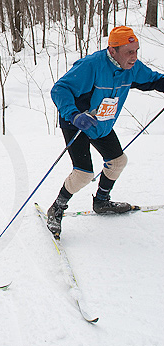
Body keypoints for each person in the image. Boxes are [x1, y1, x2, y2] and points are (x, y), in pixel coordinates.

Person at [47, 26, 164, 239]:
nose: (134, 57)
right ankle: (56, 208)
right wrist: (74, 115)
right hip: (77, 122)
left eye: (136, 51)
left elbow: (154, 80)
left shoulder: (132, 67)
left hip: (102, 123)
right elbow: (60, 89)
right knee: (83, 174)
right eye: (129, 52)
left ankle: (101, 201)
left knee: (118, 162)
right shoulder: (91, 66)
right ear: (112, 50)